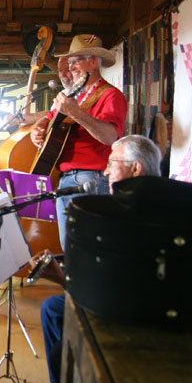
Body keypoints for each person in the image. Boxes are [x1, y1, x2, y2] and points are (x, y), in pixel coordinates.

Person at [40, 134, 161, 383]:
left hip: (130, 313)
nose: (105, 172)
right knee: (52, 308)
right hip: (133, 300)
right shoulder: (147, 203)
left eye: (111, 163)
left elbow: (106, 292)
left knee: (54, 316)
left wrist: (60, 278)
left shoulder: (127, 216)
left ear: (135, 167)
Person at [30, 34, 128, 250]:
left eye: (76, 61)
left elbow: (111, 136)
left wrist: (75, 112)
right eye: (70, 62)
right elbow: (48, 118)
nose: (70, 67)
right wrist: (37, 130)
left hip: (91, 180)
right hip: (66, 180)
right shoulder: (74, 95)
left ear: (94, 61)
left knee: (87, 253)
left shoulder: (111, 95)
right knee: (72, 253)